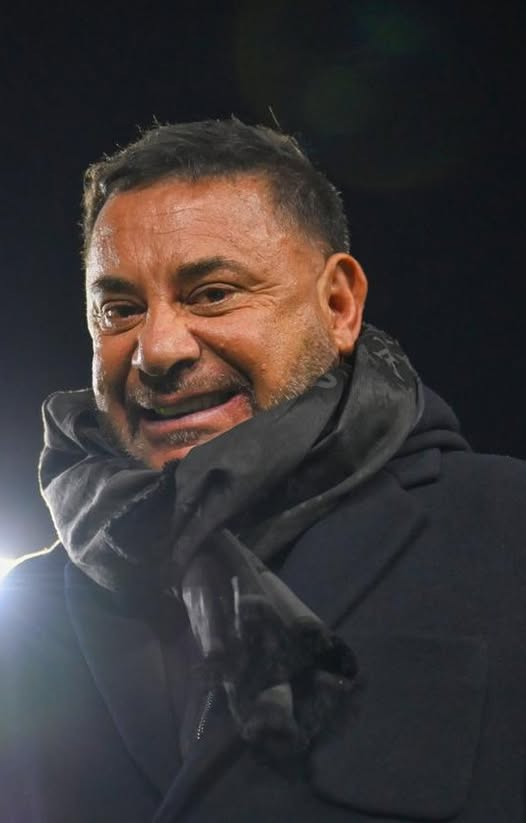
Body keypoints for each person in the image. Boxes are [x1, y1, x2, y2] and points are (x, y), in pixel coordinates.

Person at [1, 119, 526, 823]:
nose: (157, 349)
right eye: (120, 309)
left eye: (212, 293)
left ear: (339, 306)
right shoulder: (27, 610)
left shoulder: (507, 532)